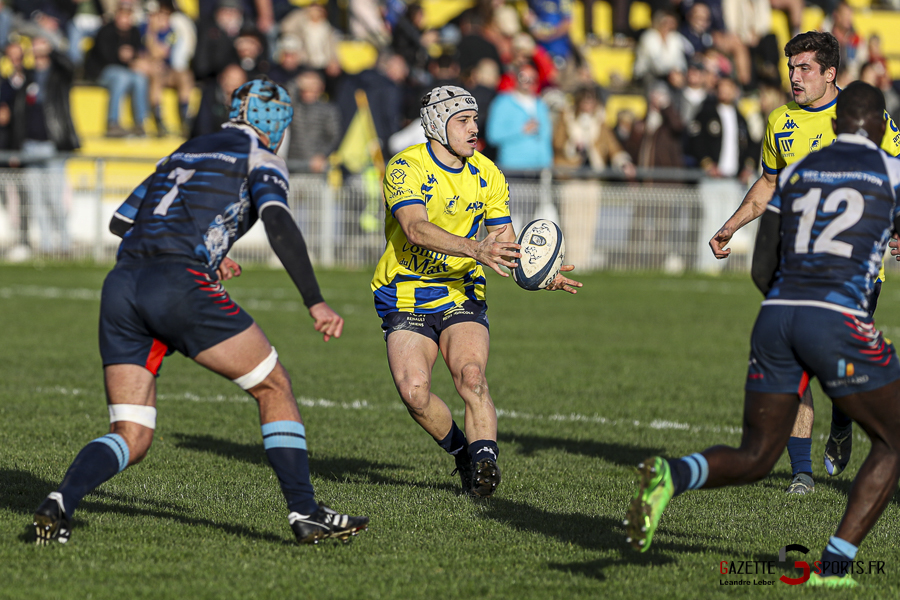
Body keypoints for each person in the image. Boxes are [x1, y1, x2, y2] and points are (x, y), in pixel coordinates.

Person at [32, 78, 368, 546]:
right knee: (273, 386)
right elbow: (277, 220)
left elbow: (121, 220)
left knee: (132, 431)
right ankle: (305, 512)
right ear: (277, 124)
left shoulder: (185, 151)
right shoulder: (259, 155)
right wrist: (314, 299)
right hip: (178, 284)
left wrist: (205, 251)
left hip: (123, 285)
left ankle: (60, 501)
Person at [627, 81, 900, 589]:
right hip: (838, 318)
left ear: (835, 124)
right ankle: (834, 568)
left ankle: (674, 473)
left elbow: (762, 264)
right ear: (882, 128)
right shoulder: (891, 169)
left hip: (775, 316)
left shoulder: (797, 172)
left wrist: (789, 304)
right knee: (892, 439)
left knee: (755, 455)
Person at [709, 31, 900, 495]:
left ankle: (842, 420)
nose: (794, 77)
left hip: (855, 271)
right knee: (797, 362)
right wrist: (731, 225)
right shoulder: (780, 121)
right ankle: (801, 473)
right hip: (796, 267)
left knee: (838, 365)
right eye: (791, 68)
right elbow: (769, 184)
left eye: (805, 69)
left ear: (830, 73)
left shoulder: (864, 118)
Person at [371, 85, 581, 497]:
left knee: (473, 377)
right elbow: (415, 228)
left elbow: (505, 243)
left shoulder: (488, 173)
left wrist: (538, 273)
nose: (474, 129)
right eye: (463, 121)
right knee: (414, 392)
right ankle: (463, 454)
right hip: (404, 291)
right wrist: (474, 248)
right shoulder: (404, 167)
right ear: (436, 125)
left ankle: (485, 465)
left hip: (461, 290)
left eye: (475, 120)